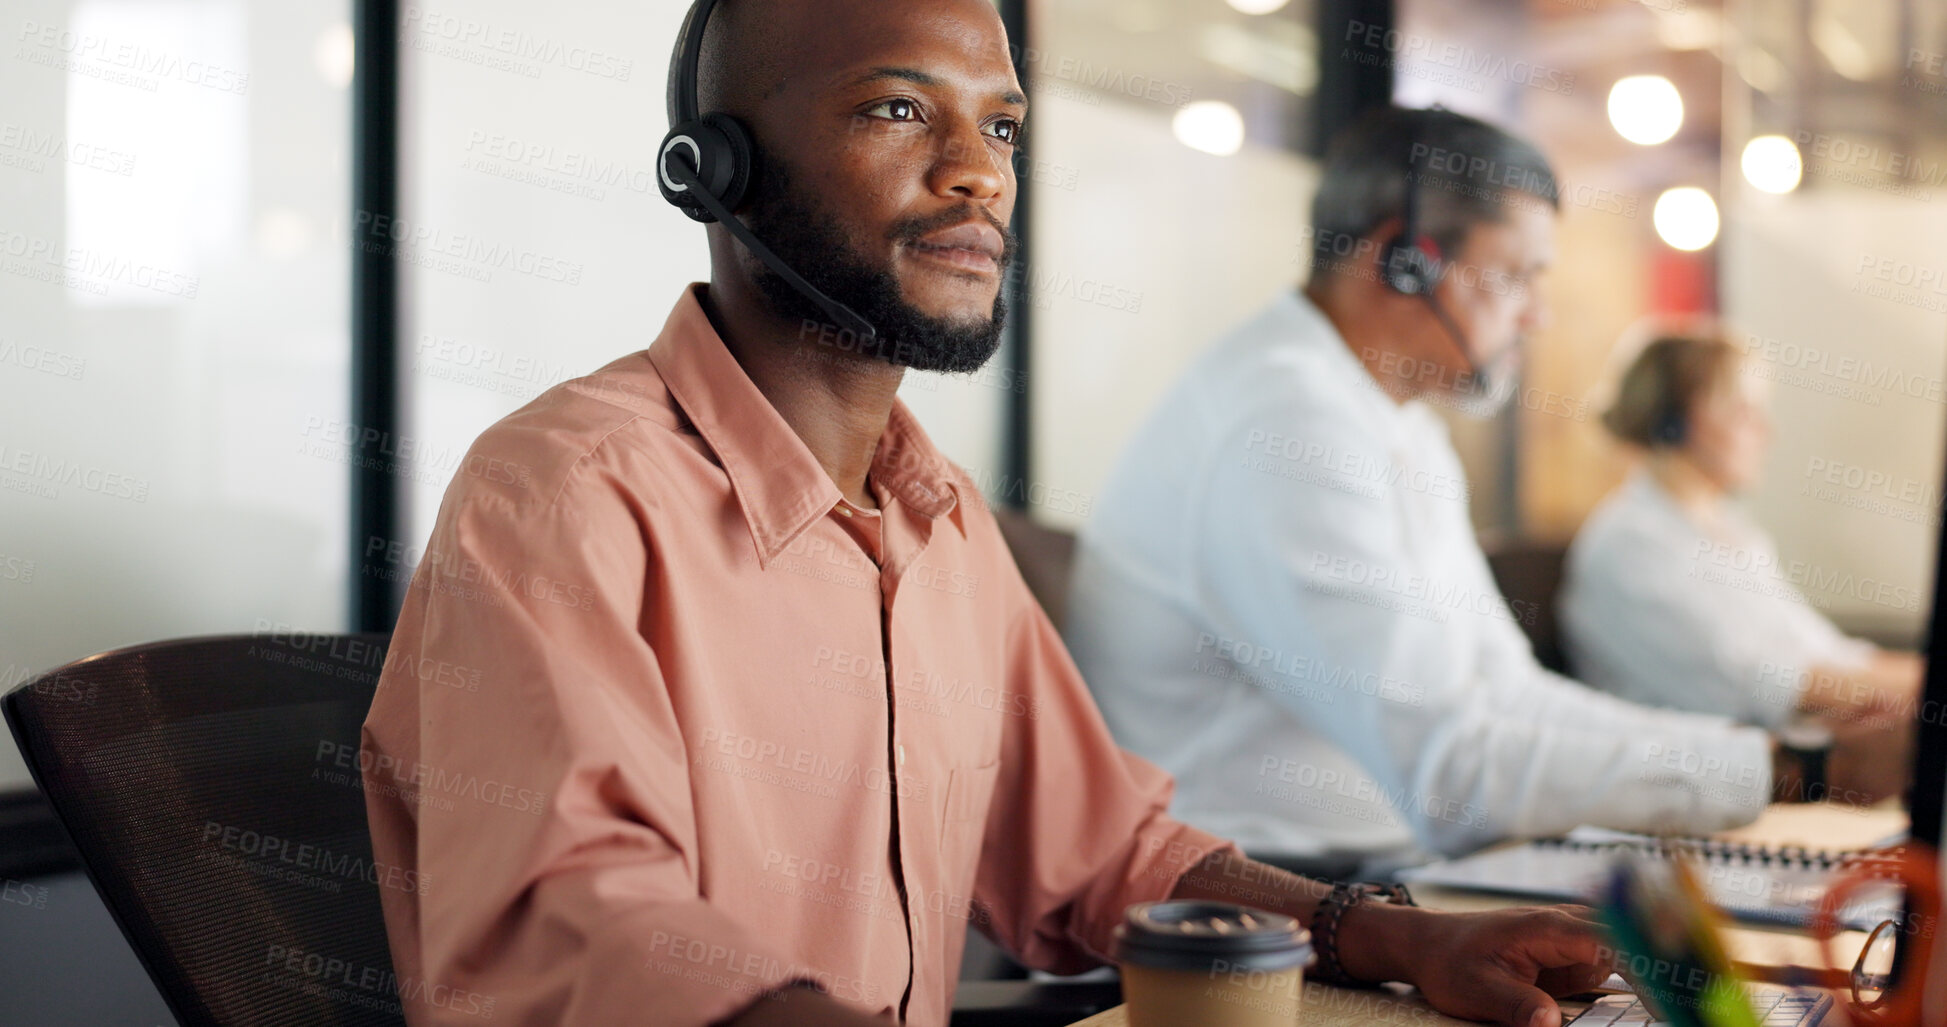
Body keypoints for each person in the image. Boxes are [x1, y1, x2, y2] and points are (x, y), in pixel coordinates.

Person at [359, 6, 1617, 1027]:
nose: (979, 173)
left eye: (1003, 129)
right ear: (715, 169)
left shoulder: (941, 519)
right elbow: (583, 928)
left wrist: (1396, 938)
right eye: (900, 108)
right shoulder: (565, 493)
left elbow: (1103, 851)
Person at [1064, 106, 1871, 874]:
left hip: (1385, 874)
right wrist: (1790, 767)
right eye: (1516, 276)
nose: (1538, 317)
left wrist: (1751, 752)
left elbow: (1507, 695)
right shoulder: (1286, 422)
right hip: (1258, 911)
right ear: (1402, 260)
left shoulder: (1396, 423)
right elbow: (1456, 771)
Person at [1559, 331, 1920, 782]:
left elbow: (1829, 655)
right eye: (1744, 411)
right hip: (1693, 796)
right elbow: (1775, 684)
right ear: (1675, 420)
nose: (1767, 432)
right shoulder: (1632, 546)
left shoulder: (1732, 534)